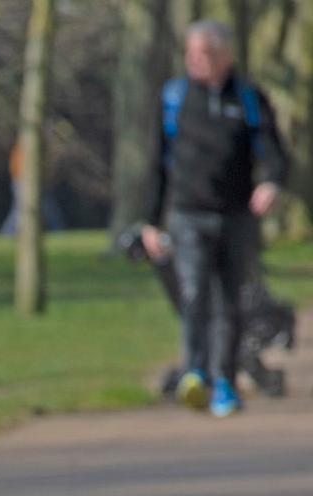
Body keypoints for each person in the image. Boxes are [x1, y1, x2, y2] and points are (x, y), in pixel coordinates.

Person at [141, 20, 288, 417]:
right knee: (193, 294)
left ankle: (225, 381)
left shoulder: (249, 98)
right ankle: (195, 373)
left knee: (230, 300)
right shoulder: (174, 99)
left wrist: (271, 183)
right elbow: (157, 164)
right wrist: (150, 222)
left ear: (224, 55)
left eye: (203, 53)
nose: (194, 60)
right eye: (190, 53)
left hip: (237, 216)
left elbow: (274, 153)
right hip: (187, 215)